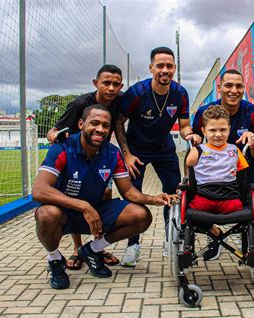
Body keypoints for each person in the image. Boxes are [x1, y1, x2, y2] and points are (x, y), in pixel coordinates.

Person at [33, 104, 176, 289]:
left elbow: (128, 192)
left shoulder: (112, 152)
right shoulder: (62, 147)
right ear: (81, 123)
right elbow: (39, 190)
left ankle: (92, 250)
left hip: (96, 210)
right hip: (66, 212)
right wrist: (84, 206)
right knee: (46, 214)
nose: (100, 129)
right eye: (95, 123)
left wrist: (154, 199)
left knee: (141, 215)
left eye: (105, 125)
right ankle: (54, 260)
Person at [115, 46, 201, 266]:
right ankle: (132, 245)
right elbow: (118, 121)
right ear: (151, 67)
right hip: (136, 150)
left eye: (169, 66)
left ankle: (169, 239)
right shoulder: (137, 92)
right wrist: (126, 154)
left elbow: (183, 125)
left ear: (174, 68)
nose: (165, 70)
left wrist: (190, 135)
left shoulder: (180, 93)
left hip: (163, 148)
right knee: (132, 194)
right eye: (160, 65)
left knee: (173, 193)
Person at [193, 69, 254, 258]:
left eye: (238, 86)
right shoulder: (206, 112)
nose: (233, 90)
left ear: (244, 89)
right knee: (189, 206)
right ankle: (215, 236)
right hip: (214, 173)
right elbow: (194, 141)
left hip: (245, 171)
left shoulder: (252, 113)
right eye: (228, 85)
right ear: (219, 88)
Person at [46, 64, 124, 270]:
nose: (111, 88)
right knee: (77, 197)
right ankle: (77, 248)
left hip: (100, 155)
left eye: (116, 84)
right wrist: (55, 138)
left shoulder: (119, 101)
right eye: (106, 83)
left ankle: (97, 247)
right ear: (95, 83)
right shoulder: (80, 104)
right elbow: (52, 131)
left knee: (105, 194)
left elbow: (120, 124)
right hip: (74, 156)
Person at [186, 105, 249, 259]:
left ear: (229, 128)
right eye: (212, 130)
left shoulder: (234, 150)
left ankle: (249, 250)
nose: (218, 135)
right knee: (188, 216)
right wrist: (194, 146)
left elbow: (243, 175)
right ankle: (215, 232)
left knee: (251, 216)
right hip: (204, 197)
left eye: (223, 130)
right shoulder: (199, 150)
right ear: (203, 131)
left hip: (230, 198)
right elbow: (188, 163)